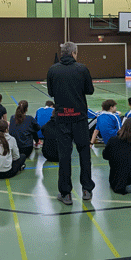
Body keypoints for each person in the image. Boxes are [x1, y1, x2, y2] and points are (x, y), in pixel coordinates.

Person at [46, 41, 96, 205]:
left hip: (62, 119)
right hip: (80, 119)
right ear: (74, 53)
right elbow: (90, 90)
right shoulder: (82, 69)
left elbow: (51, 92)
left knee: (64, 156)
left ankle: (66, 193)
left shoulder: (53, 70)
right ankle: (87, 189)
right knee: (84, 154)